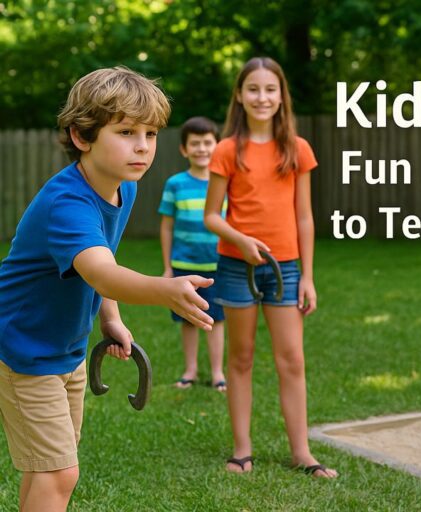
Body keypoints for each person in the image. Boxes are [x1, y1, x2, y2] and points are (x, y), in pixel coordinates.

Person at [0, 66, 215, 511]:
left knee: (49, 466)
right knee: (58, 471)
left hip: (65, 348)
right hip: (23, 348)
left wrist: (111, 317)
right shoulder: (68, 204)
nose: (143, 146)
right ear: (82, 136)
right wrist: (164, 289)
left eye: (150, 133)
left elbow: (104, 258)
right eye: (126, 132)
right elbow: (101, 273)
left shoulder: (120, 188)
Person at [204, 57, 337, 478]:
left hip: (286, 270)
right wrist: (241, 241)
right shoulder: (226, 150)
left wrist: (308, 277)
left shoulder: (297, 149)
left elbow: (304, 218)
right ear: (240, 96)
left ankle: (302, 452)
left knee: (292, 359)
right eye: (253, 89)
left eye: (270, 89)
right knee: (241, 357)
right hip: (236, 267)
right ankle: (242, 449)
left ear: (282, 96)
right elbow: (212, 216)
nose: (262, 97)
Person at [159, 116, 227, 392]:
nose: (201, 149)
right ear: (184, 149)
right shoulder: (175, 184)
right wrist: (167, 266)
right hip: (184, 264)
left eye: (207, 143)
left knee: (217, 318)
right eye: (195, 144)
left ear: (217, 146)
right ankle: (190, 370)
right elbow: (167, 227)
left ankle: (218, 373)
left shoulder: (225, 182)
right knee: (188, 318)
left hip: (218, 264)